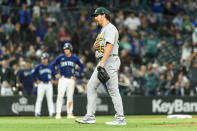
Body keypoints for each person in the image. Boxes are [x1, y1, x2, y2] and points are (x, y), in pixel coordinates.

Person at [75, 7, 126, 125]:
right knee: (91, 86)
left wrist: (102, 62)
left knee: (113, 90)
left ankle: (120, 118)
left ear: (103, 15)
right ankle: (90, 116)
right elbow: (103, 46)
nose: (95, 18)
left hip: (109, 61)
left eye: (97, 16)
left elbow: (109, 46)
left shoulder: (110, 28)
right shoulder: (103, 30)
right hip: (104, 61)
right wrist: (95, 47)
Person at [51, 42, 84, 119]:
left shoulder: (75, 58)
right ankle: (58, 113)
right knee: (60, 95)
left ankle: (69, 113)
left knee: (70, 96)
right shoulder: (60, 57)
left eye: (67, 49)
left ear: (70, 49)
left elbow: (82, 66)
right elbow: (52, 65)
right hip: (62, 79)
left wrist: (77, 74)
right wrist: (55, 73)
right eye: (65, 49)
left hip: (71, 79)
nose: (66, 50)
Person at [33, 53, 55, 117]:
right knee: (39, 99)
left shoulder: (50, 66)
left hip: (49, 84)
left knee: (50, 99)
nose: (43, 60)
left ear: (47, 59)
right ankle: (37, 112)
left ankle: (51, 113)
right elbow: (33, 75)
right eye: (42, 59)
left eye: (45, 59)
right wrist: (36, 80)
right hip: (41, 84)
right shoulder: (38, 66)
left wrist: (54, 79)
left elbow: (55, 74)